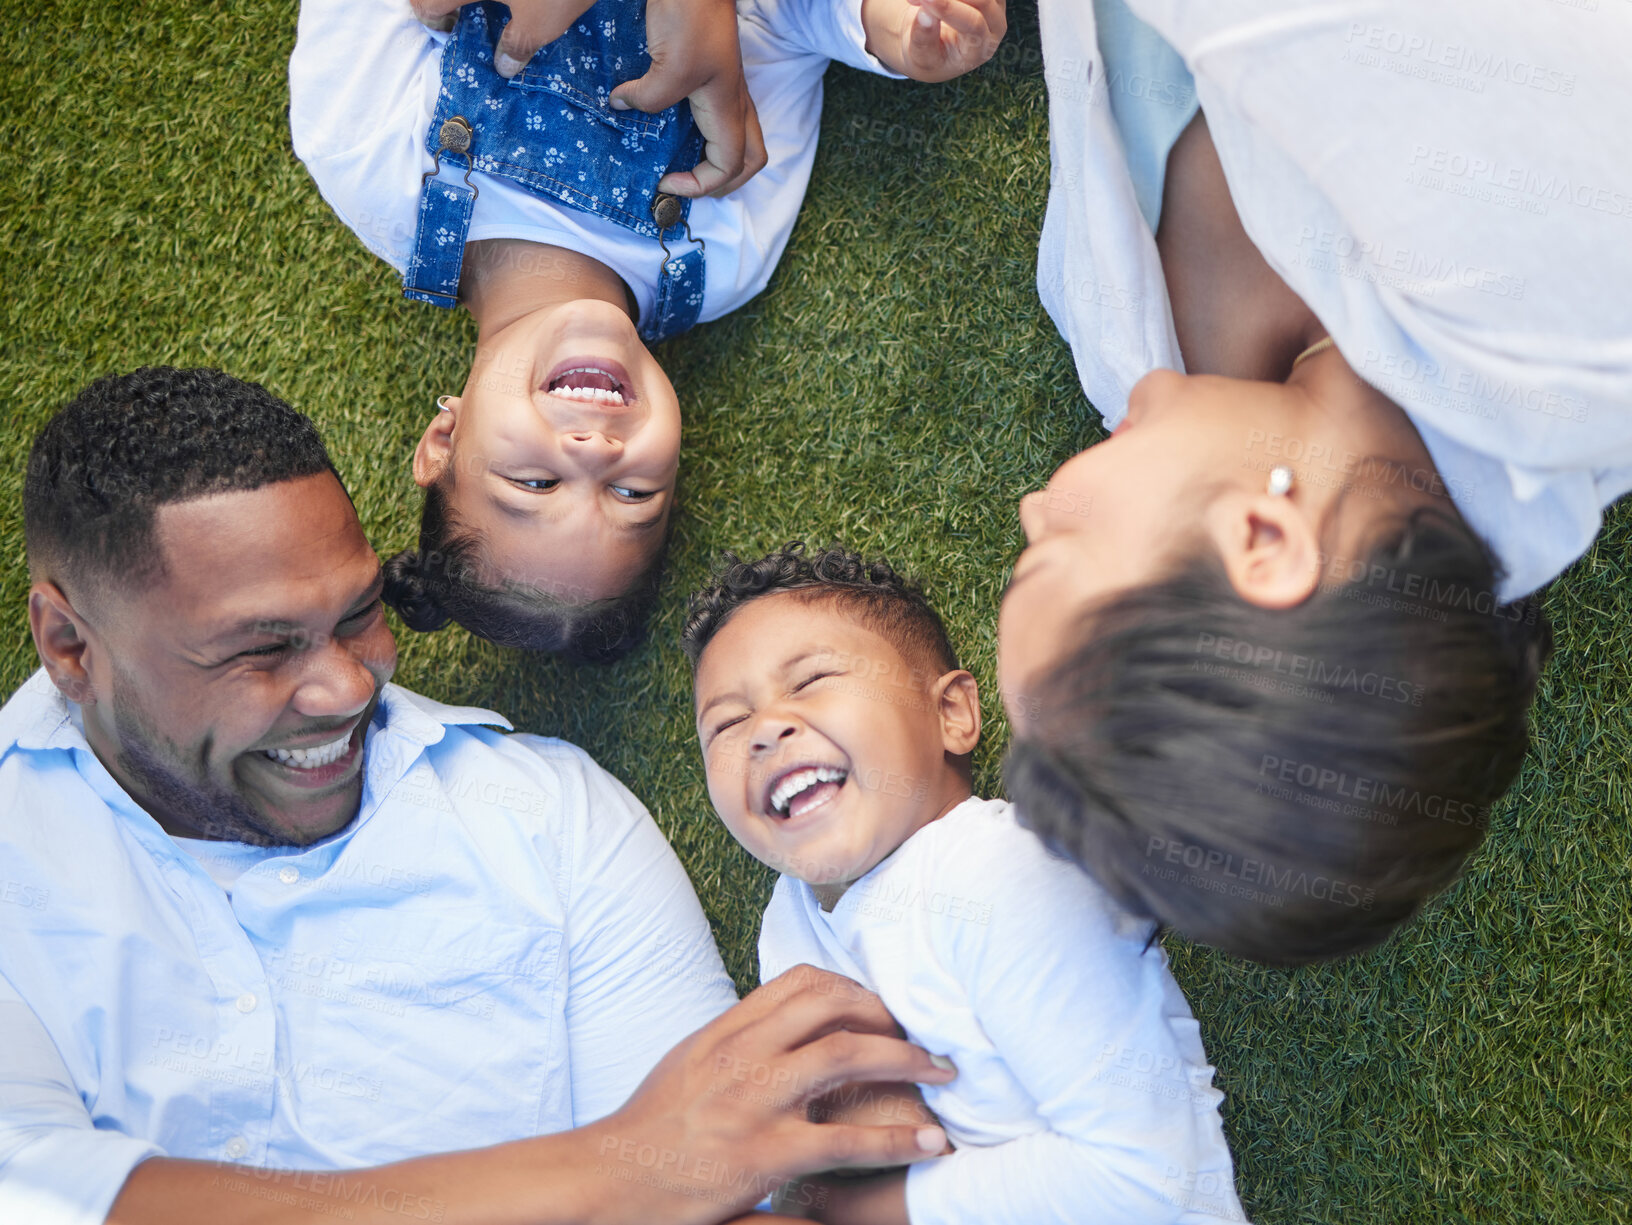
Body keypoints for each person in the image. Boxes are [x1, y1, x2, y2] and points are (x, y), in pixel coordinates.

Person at [0, 368, 957, 1225]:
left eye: (358, 613)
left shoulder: (552, 820)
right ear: (71, 647)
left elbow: (715, 1184)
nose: (346, 685)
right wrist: (609, 1172)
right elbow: (43, 1194)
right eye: (261, 648)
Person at [996, 0, 1632, 964]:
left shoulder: (1128, 359)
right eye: (1056, 554)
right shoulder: (1567, 315)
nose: (1034, 504)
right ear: (1262, 541)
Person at [287, 0, 1006, 659]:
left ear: (444, 441)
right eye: (633, 495)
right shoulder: (723, 256)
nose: (595, 452)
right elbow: (780, 26)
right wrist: (877, 26)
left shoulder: (362, 153)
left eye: (536, 481)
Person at [681, 543, 1246, 1224]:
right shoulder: (791, 922)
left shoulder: (1003, 873)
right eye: (728, 723)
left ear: (951, 714)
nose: (767, 730)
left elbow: (1148, 1178)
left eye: (812, 679)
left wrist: (850, 1210)